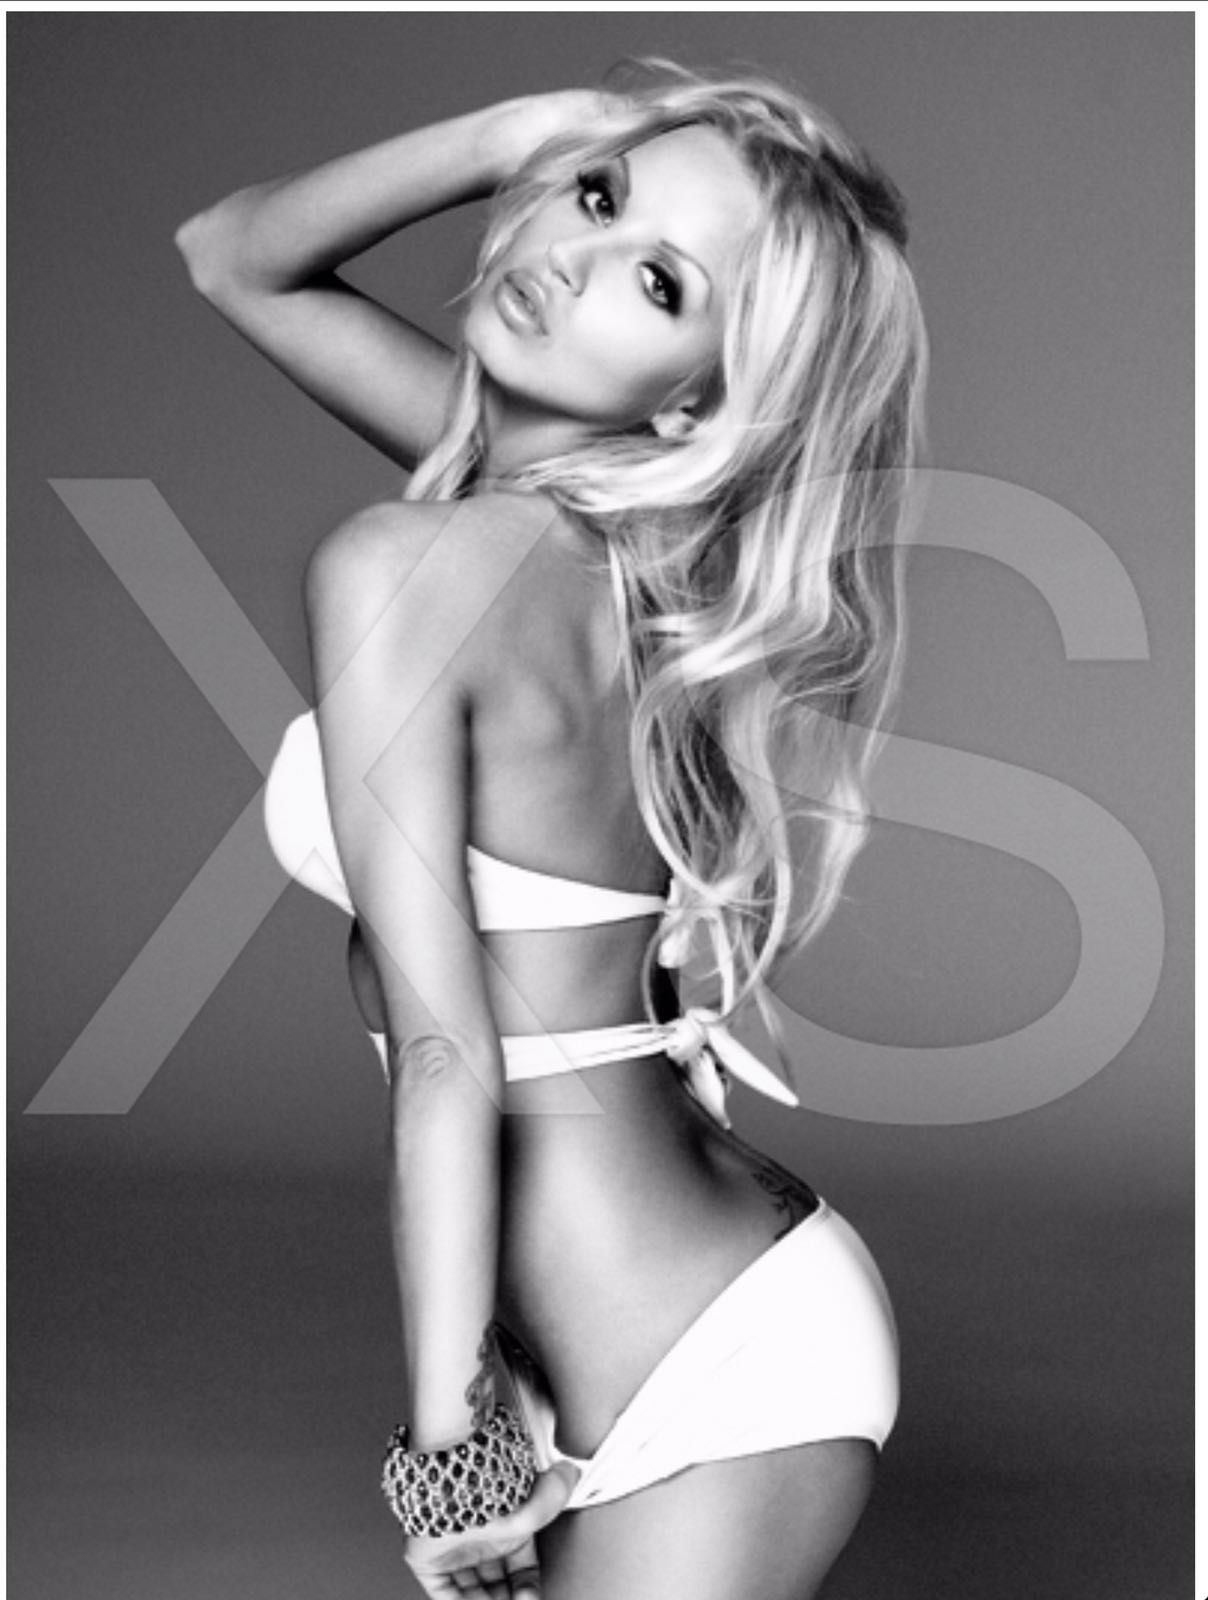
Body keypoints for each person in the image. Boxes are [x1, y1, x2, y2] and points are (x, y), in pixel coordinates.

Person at [176, 54, 928, 1600]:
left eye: (659, 282)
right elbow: (230, 256)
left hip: (715, 1369)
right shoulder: (641, 562)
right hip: (675, 1302)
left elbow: (447, 1060)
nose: (570, 260)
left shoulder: (407, 565)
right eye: (594, 197)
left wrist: (452, 1456)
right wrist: (519, 134)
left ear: (701, 393)